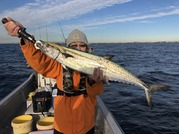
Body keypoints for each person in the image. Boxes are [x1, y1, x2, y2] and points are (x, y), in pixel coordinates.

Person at [3, 17, 108, 134]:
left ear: (87, 48)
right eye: (74, 46)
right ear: (67, 49)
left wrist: (93, 81)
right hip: (62, 127)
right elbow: (40, 62)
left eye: (82, 45)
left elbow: (96, 92)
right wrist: (23, 36)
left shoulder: (93, 69)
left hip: (86, 127)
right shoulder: (59, 67)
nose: (78, 48)